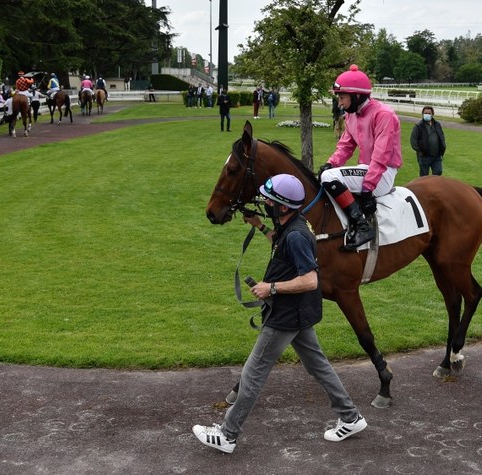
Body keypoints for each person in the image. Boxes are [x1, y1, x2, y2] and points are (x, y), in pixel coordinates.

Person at [192, 174, 367, 454]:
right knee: (317, 365)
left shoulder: (297, 235)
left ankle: (228, 434)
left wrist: (270, 288)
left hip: (286, 315)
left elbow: (310, 280)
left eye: (269, 201)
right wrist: (259, 225)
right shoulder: (291, 226)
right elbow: (280, 244)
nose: (265, 203)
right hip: (299, 312)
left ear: (283, 207)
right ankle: (351, 417)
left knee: (253, 373)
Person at [318, 64, 402, 251]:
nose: (339, 103)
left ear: (356, 95)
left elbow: (381, 156)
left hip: (382, 174)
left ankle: (363, 227)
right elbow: (346, 146)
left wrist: (367, 189)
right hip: (367, 170)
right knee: (327, 173)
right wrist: (330, 163)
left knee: (329, 178)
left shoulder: (384, 115)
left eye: (342, 97)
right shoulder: (351, 115)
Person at [409, 106, 447, 176]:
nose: (427, 115)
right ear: (422, 114)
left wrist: (443, 146)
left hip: (437, 156)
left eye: (429, 113)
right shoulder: (418, 126)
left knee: (438, 172)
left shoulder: (437, 124)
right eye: (425, 113)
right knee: (424, 176)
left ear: (432, 114)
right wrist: (420, 151)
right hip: (424, 156)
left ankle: (434, 187)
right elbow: (413, 141)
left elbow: (441, 136)